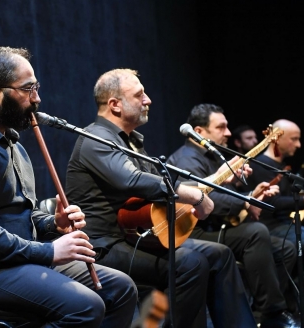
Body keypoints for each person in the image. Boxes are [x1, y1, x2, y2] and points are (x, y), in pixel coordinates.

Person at [0, 47, 138, 327]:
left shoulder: (12, 143)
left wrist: (54, 223)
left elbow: (19, 214)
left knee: (121, 288)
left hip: (15, 260)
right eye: (28, 89)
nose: (37, 98)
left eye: (36, 88)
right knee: (85, 307)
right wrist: (49, 252)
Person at [65, 68, 254, 328]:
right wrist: (193, 195)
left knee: (219, 254)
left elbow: (164, 185)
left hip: (135, 237)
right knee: (190, 263)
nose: (148, 100)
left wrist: (218, 177)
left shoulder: (131, 141)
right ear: (115, 105)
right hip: (104, 245)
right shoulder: (96, 138)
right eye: (139, 94)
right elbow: (132, 180)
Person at [167, 104, 299, 328]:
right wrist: (246, 200)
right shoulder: (188, 159)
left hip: (212, 226)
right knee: (255, 233)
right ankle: (271, 313)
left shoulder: (210, 156)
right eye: (221, 127)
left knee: (286, 247)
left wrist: (242, 187)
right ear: (199, 132)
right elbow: (208, 201)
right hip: (192, 231)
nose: (228, 133)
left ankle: (265, 309)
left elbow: (219, 193)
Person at [243, 119, 304, 283]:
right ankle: (292, 291)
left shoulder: (280, 165)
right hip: (269, 228)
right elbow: (275, 203)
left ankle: (292, 290)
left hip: (285, 225)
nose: (299, 144)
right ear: (277, 139)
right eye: (294, 139)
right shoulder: (261, 165)